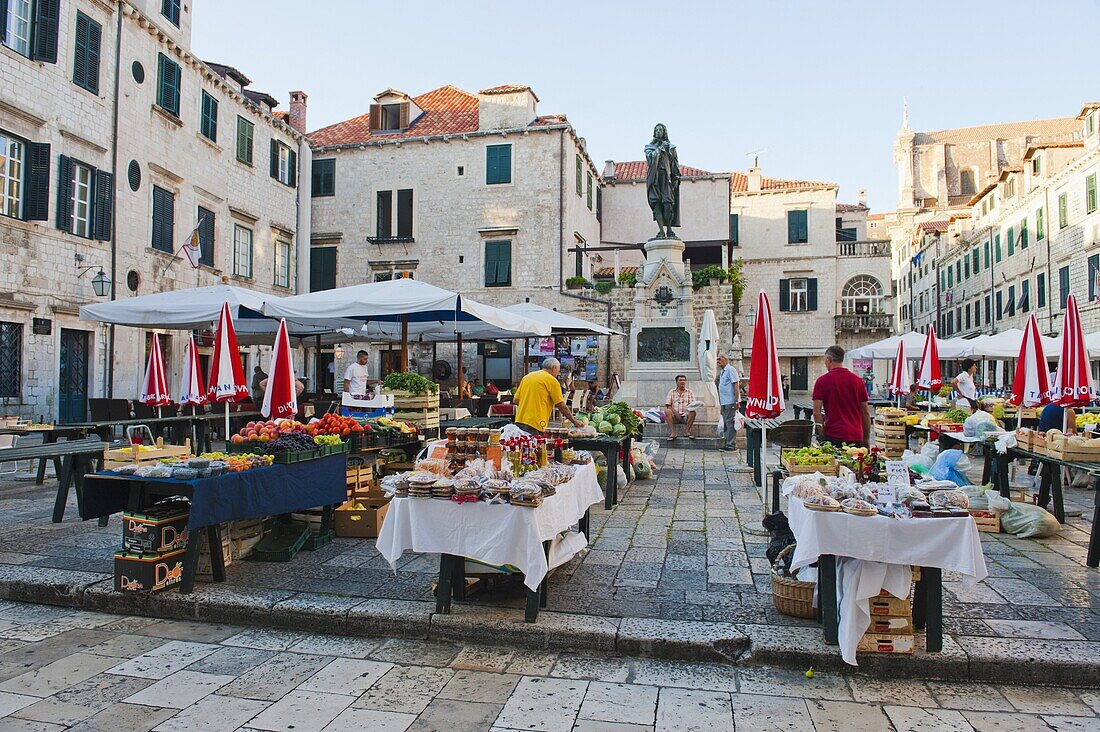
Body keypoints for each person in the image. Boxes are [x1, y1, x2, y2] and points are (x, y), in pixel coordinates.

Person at [812, 345, 870, 447]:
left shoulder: (822, 381)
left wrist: (822, 435)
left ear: (828, 360)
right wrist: (866, 438)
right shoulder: (857, 381)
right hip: (855, 435)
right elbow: (865, 412)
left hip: (833, 435)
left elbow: (816, 412)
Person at [513, 357, 583, 434]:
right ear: (554, 368)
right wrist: (574, 421)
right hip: (536, 423)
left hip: (519, 420)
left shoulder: (527, 377)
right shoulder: (552, 381)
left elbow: (515, 400)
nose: (558, 374)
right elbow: (561, 406)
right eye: (558, 370)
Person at [717, 353, 741, 453]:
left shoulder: (730, 369)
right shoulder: (723, 371)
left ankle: (731, 444)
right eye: (717, 359)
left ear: (726, 360)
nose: (718, 361)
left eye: (720, 358)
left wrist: (736, 400)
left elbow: (735, 385)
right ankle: (728, 443)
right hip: (724, 402)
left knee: (730, 424)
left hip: (730, 402)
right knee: (727, 423)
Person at [664, 374, 697, 440]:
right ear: (676, 382)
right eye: (680, 380)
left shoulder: (690, 392)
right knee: (667, 411)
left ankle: (687, 431)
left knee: (693, 412)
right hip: (674, 416)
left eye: (684, 380)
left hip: (686, 416)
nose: (682, 382)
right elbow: (668, 405)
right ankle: (673, 433)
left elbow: (693, 405)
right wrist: (676, 413)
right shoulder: (671, 392)